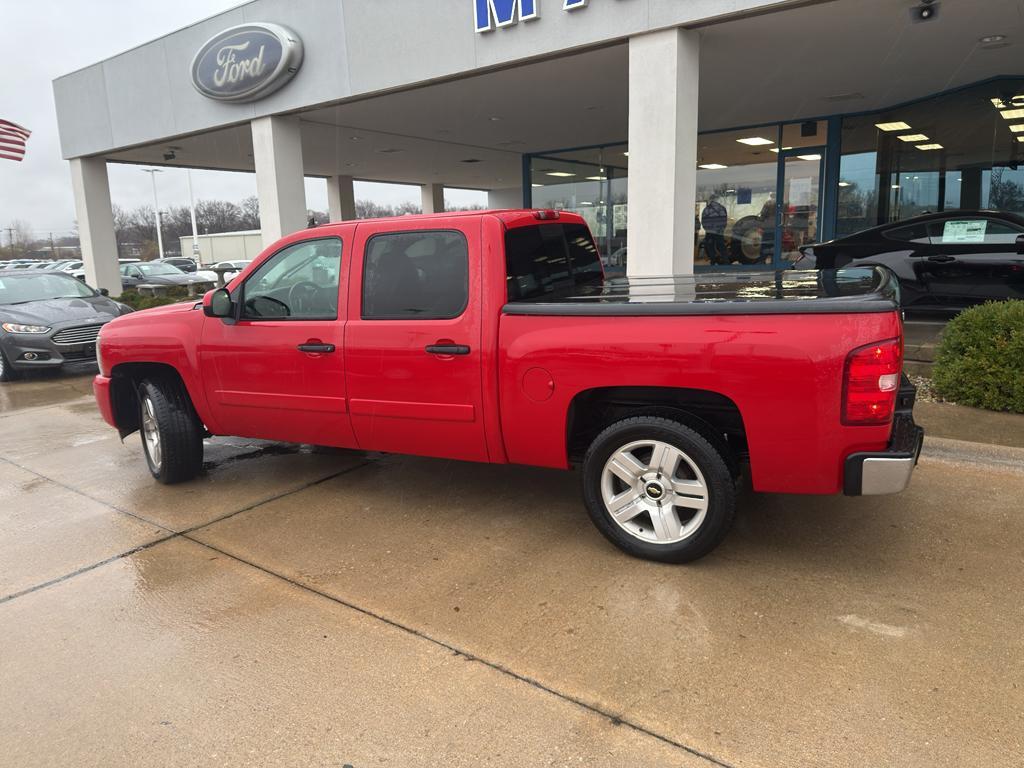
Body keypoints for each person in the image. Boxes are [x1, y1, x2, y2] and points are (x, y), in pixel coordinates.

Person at [701, 195, 729, 265]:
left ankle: (713, 260)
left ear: (711, 200)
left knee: (710, 246)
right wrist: (721, 229)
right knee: (721, 246)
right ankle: (725, 260)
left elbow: (703, 221)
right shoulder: (722, 208)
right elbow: (724, 220)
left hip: (710, 232)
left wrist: (707, 229)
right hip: (719, 231)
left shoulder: (706, 209)